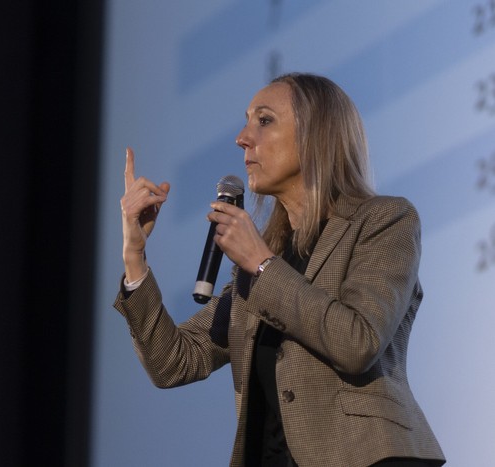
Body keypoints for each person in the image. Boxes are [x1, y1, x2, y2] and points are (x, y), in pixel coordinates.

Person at [114, 72, 446, 467]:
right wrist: (134, 254)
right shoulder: (263, 262)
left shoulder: (384, 220)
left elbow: (358, 343)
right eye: (246, 120)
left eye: (264, 120)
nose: (241, 137)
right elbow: (175, 362)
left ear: (315, 135)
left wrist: (261, 264)